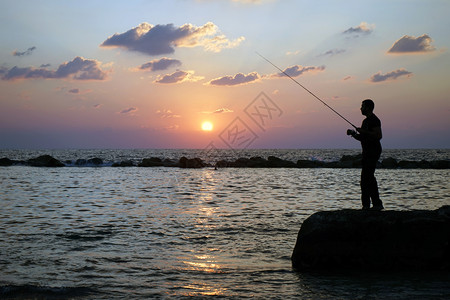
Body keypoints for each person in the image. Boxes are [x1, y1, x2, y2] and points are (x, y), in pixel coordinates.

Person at [347, 99, 384, 210]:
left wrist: (363, 131)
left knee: (368, 178)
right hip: (367, 152)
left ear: (368, 107)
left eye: (362, 106)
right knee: (365, 179)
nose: (360, 108)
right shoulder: (365, 122)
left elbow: (378, 135)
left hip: (374, 151)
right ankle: (367, 205)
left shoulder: (374, 120)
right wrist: (353, 134)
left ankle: (375, 204)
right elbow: (362, 138)